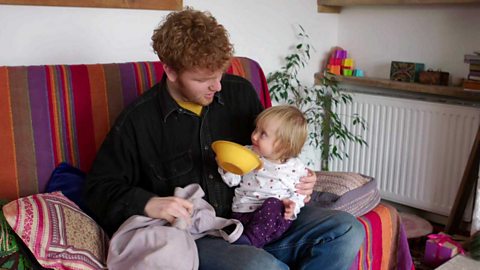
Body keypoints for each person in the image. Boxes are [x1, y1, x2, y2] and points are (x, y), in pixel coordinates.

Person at [84, 7, 364, 270]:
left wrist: (302, 179)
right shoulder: (139, 120)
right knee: (261, 267)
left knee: (347, 230)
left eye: (220, 74)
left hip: (263, 215)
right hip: (203, 234)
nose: (217, 87)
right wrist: (149, 203)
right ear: (170, 71)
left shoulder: (239, 93)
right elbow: (98, 188)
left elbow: (274, 147)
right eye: (204, 79)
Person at [218, 105, 309, 248]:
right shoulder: (248, 153)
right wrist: (226, 165)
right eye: (256, 129)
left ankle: (250, 242)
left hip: (273, 220)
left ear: (284, 146)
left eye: (263, 134)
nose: (254, 136)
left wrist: (293, 206)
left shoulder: (296, 168)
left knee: (273, 204)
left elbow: (301, 195)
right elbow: (232, 181)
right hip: (242, 213)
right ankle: (248, 239)